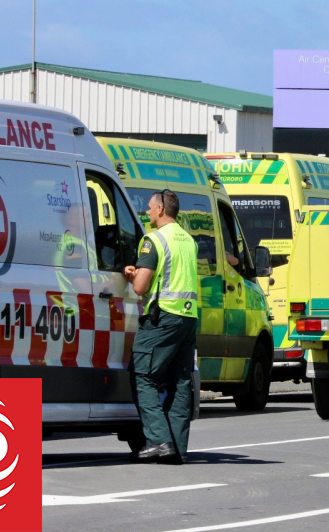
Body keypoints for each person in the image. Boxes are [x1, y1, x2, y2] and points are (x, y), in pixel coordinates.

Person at [123, 189, 199, 464]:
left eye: (150, 207)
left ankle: (158, 440)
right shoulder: (188, 240)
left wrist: (131, 275)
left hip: (163, 317)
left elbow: (142, 286)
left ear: (160, 210)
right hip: (189, 318)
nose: (146, 212)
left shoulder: (153, 240)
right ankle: (178, 447)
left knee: (143, 375)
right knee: (180, 381)